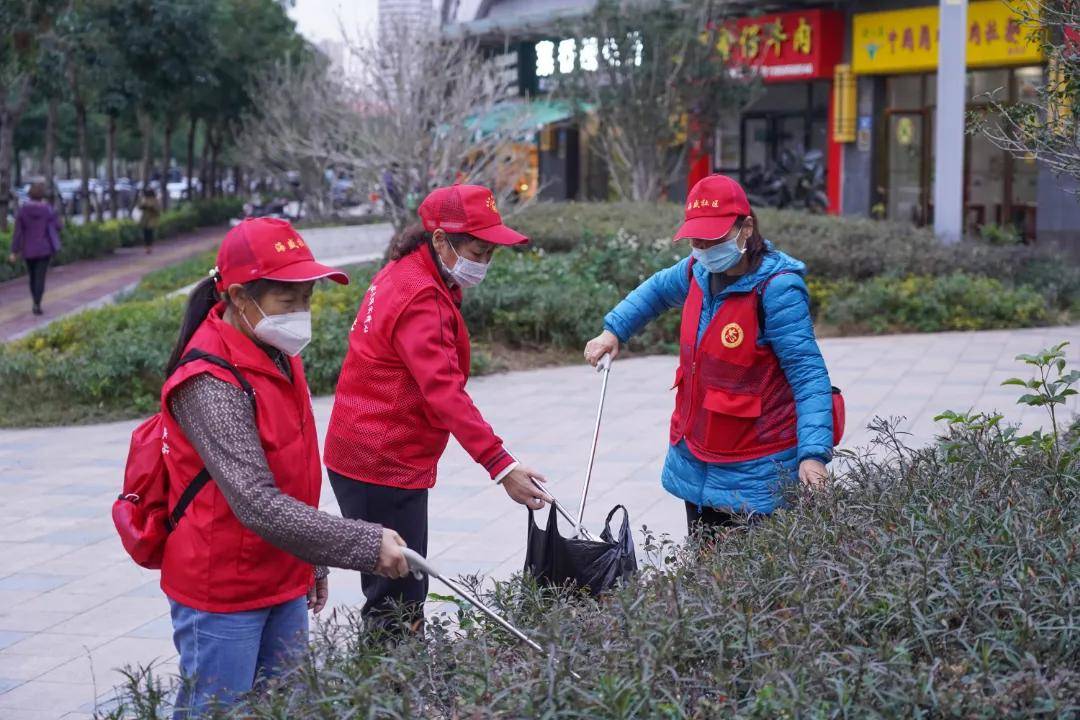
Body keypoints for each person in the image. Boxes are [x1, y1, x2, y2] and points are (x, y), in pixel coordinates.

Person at [158, 217, 409, 717]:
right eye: (286, 300)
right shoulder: (207, 381)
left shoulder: (276, 352)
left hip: (280, 573)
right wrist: (359, 543)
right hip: (223, 591)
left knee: (285, 709)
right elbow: (254, 500)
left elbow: (292, 470)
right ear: (237, 296)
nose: (301, 313)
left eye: (307, 298)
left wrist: (308, 560)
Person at [323, 184, 550, 633]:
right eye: (477, 250)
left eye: (490, 254)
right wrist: (502, 466)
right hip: (379, 462)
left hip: (368, 453)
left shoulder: (412, 271)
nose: (483, 262)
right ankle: (391, 692)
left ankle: (392, 687)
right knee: (398, 598)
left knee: (397, 588)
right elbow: (444, 391)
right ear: (441, 240)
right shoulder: (420, 294)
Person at [584, 174, 836, 535]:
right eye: (695, 239)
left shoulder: (777, 289)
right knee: (705, 575)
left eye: (712, 238)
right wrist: (614, 331)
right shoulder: (697, 271)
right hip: (698, 453)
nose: (702, 247)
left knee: (749, 580)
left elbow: (808, 374)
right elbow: (656, 290)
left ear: (746, 228)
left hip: (757, 467)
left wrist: (813, 454)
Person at [8, 181, 61, 316]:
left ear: (29, 195)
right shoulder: (47, 209)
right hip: (44, 249)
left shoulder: (23, 210)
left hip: (28, 250)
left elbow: (18, 232)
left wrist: (14, 251)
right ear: (41, 195)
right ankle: (37, 303)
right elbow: (58, 226)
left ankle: (35, 299)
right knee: (40, 277)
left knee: (32, 277)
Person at [138, 187, 161, 253]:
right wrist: (143, 206)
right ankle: (147, 246)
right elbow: (140, 206)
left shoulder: (155, 200)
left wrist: (151, 208)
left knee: (149, 233)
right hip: (145, 219)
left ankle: (149, 247)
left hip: (151, 219)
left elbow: (157, 210)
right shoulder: (144, 199)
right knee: (145, 233)